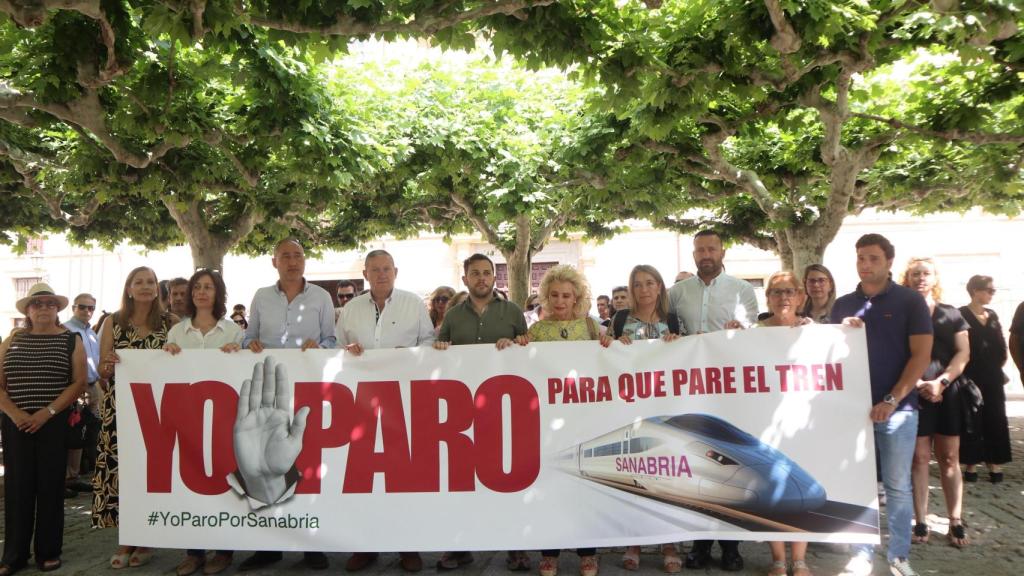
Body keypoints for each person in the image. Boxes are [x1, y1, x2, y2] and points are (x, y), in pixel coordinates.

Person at [831, 234, 932, 576]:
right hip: (852, 411)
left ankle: (898, 556)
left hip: (898, 412)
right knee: (857, 485)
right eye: (861, 257)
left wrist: (891, 399)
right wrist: (841, 334)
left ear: (889, 261)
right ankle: (861, 553)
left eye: (873, 258)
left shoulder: (910, 301)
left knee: (897, 486)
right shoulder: (843, 304)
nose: (865, 264)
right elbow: (828, 358)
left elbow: (921, 357)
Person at [239, 238, 335, 572]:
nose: (293, 262)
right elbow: (247, 336)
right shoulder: (261, 296)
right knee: (267, 464)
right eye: (286, 256)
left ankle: (311, 546)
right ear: (274, 262)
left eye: (298, 256)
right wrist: (249, 343)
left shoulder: (321, 297)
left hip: (309, 389)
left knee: (306, 465)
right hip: (269, 392)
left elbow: (332, 340)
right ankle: (269, 547)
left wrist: (320, 346)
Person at [337, 249, 434, 573]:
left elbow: (430, 344)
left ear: (396, 271)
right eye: (375, 269)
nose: (381, 274)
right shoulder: (350, 309)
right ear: (365, 274)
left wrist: (410, 354)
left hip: (404, 403)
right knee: (363, 478)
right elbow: (334, 349)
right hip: (361, 405)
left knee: (403, 477)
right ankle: (365, 547)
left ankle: (408, 547)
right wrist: (347, 351)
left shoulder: (413, 304)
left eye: (386, 268)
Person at [433, 254, 529, 572]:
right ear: (465, 279)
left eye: (487, 273)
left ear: (494, 277)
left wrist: (516, 343)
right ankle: (459, 547)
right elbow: (439, 353)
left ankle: (516, 548)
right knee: (462, 481)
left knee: (510, 480)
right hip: (463, 414)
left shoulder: (512, 311)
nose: (482, 278)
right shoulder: (453, 315)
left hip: (505, 410)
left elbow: (527, 351)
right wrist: (441, 349)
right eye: (475, 273)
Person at [668, 230, 757, 571]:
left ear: (722, 252)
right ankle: (700, 544)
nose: (705, 254)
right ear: (693, 254)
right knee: (697, 466)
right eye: (700, 250)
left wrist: (738, 332)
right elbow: (667, 332)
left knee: (731, 466)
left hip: (728, 391)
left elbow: (752, 337)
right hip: (690, 390)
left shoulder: (742, 289)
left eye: (711, 249)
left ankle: (731, 546)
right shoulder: (677, 293)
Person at [527, 265, 609, 576]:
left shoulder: (591, 327)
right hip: (548, 424)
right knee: (551, 487)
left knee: (585, 488)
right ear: (546, 297)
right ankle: (550, 553)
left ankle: (588, 553)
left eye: (566, 295)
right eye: (554, 295)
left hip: (585, 421)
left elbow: (614, 361)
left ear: (577, 297)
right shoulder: (535, 332)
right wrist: (514, 346)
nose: (560, 301)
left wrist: (612, 344)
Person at [0, 283, 87, 575]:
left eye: (50, 303)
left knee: (51, 488)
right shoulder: (11, 340)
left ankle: (48, 551)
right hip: (16, 424)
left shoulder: (71, 340)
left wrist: (46, 413)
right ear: (27, 310)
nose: (44, 308)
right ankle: (14, 555)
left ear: (57, 309)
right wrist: (16, 414)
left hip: (53, 423)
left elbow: (78, 382)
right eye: (37, 304)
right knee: (17, 488)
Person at [94, 266, 178, 569]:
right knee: (124, 473)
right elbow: (102, 372)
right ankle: (127, 538)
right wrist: (109, 364)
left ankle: (147, 538)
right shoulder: (112, 321)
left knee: (152, 472)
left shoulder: (171, 322)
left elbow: (183, 365)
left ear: (157, 289)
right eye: (138, 282)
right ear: (128, 289)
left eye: (150, 282)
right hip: (121, 409)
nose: (145, 286)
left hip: (160, 411)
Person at [164, 270, 243, 576]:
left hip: (224, 422)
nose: (201, 292)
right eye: (197, 287)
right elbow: (165, 374)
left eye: (208, 287)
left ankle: (223, 552)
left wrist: (238, 353)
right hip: (188, 422)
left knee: (224, 484)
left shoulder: (233, 331)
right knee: (190, 485)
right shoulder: (177, 332)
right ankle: (194, 553)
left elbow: (242, 372)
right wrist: (167, 355)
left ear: (217, 293)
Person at [608, 265, 682, 574]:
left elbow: (688, 358)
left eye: (650, 283)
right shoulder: (620, 320)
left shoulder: (673, 320)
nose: (644, 290)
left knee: (668, 477)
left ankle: (669, 544)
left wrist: (678, 343)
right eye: (637, 284)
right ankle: (634, 542)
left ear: (660, 286)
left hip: (666, 410)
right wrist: (612, 345)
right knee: (633, 476)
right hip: (630, 411)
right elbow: (604, 357)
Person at [898, 257, 971, 548]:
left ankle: (955, 520)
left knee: (950, 458)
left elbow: (963, 353)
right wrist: (918, 383)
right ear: (907, 278)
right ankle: (921, 520)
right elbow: (894, 352)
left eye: (926, 273)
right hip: (911, 391)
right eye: (915, 273)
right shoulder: (901, 314)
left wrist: (941, 382)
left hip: (947, 392)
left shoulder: (951, 313)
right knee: (918, 459)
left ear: (935, 278)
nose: (920, 278)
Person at [751, 272, 813, 576]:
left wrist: (852, 329)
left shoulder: (814, 331)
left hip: (803, 423)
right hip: (766, 422)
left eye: (789, 291)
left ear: (800, 296)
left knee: (801, 488)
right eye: (776, 292)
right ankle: (778, 558)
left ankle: (799, 559)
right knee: (771, 489)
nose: (783, 297)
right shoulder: (754, 333)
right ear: (768, 299)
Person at [960, 275, 1011, 483]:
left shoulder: (993, 314)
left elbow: (1001, 343)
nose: (992, 294)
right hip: (970, 376)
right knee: (972, 418)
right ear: (975, 290)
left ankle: (994, 461)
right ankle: (971, 463)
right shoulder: (961, 314)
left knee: (996, 417)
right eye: (989, 290)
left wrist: (999, 364)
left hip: (993, 376)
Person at [63, 293, 101, 493]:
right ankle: (64, 478)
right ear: (73, 308)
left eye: (91, 308)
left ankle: (73, 476)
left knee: (84, 433)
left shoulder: (92, 333)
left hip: (93, 387)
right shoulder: (66, 330)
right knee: (71, 432)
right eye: (82, 307)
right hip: (75, 388)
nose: (87, 311)